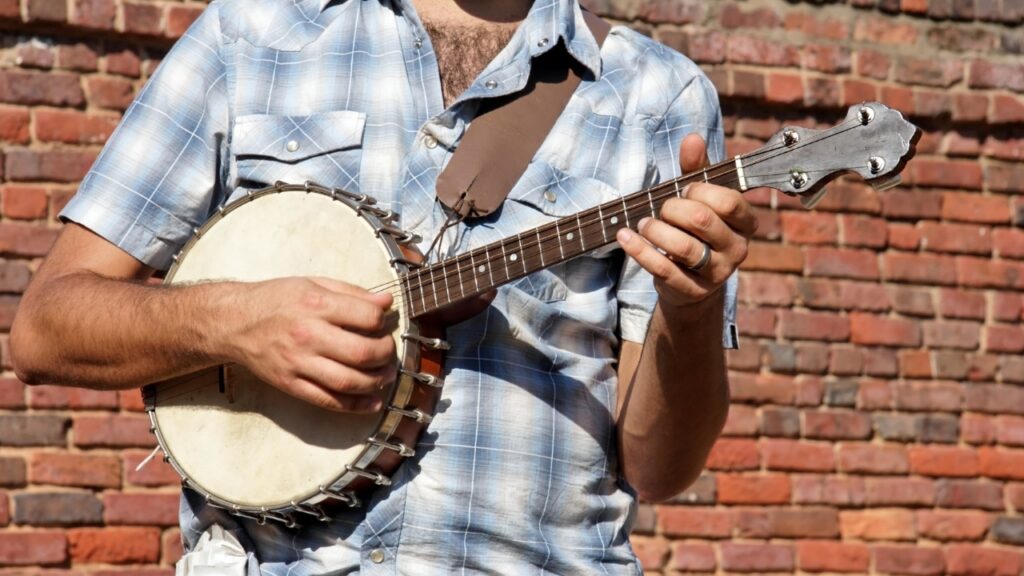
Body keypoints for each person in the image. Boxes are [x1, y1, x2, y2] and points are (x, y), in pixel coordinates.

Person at [10, 0, 757, 573]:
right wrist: (234, 323)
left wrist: (688, 314)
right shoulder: (250, 35)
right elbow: (48, 326)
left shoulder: (655, 93)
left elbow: (660, 469)